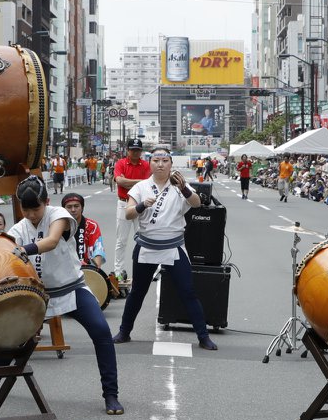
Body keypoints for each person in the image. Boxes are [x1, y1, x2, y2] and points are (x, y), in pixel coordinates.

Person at [1, 176, 123, 414]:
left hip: (72, 288)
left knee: (101, 331)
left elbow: (52, 241)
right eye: (25, 209)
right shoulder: (18, 229)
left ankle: (111, 394)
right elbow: (5, 251)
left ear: (46, 201)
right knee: (12, 336)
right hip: (38, 296)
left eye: (35, 208)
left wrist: (21, 250)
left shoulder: (59, 215)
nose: (32, 214)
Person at [113, 146, 218, 350]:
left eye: (164, 161)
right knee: (137, 292)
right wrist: (142, 205)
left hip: (173, 246)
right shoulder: (141, 187)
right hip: (146, 246)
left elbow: (196, 204)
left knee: (188, 292)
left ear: (171, 163)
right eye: (156, 161)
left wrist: (184, 189)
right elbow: (128, 213)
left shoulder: (181, 185)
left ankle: (203, 336)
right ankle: (124, 331)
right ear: (150, 163)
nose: (160, 164)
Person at [111, 140, 151, 281]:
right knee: (121, 241)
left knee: (144, 238)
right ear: (127, 150)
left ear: (141, 151)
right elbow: (120, 181)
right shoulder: (121, 163)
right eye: (133, 149)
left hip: (142, 205)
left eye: (138, 150)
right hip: (124, 203)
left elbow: (148, 184)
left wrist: (128, 181)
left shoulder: (146, 165)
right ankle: (118, 271)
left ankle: (146, 270)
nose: (135, 152)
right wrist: (140, 182)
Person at [60, 190, 105, 269]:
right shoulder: (57, 226)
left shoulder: (91, 225)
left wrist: (95, 268)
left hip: (86, 267)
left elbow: (98, 249)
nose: (73, 210)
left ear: (82, 208)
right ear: (63, 209)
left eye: (76, 206)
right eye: (69, 207)